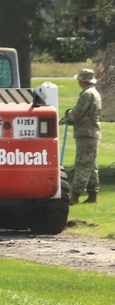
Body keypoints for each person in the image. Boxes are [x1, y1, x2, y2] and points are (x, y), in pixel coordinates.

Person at [61, 69, 102, 205]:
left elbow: (78, 112)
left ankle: (75, 196)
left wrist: (66, 117)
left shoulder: (87, 94)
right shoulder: (94, 93)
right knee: (91, 165)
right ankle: (92, 195)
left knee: (82, 164)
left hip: (86, 133)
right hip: (91, 132)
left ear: (82, 80)